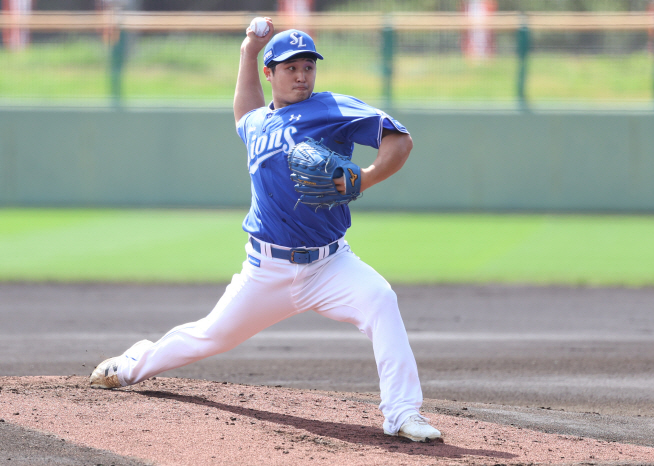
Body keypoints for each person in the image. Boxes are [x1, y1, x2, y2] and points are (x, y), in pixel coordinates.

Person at [90, 17, 441, 443]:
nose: (302, 75)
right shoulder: (257, 123)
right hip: (266, 270)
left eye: (308, 66)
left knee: (381, 300)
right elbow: (245, 113)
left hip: (329, 264)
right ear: (270, 74)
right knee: (211, 336)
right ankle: (131, 366)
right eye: (291, 67)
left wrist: (363, 178)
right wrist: (247, 51)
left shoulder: (331, 108)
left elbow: (399, 141)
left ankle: (402, 413)